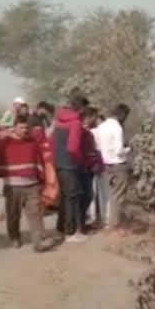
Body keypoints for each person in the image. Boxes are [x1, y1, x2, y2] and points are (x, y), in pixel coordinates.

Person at [0, 115, 55, 252]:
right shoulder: (5, 144)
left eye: (26, 128)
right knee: (13, 215)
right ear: (14, 127)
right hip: (12, 186)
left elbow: (39, 163)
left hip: (32, 186)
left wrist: (42, 182)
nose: (24, 130)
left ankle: (38, 242)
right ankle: (14, 237)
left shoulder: (33, 143)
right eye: (21, 127)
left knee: (35, 214)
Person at [52, 93, 92, 243]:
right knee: (74, 197)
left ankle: (62, 228)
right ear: (81, 108)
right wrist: (80, 161)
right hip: (70, 164)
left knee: (66, 197)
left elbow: (53, 143)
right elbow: (73, 148)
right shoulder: (75, 123)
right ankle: (72, 232)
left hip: (59, 163)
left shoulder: (59, 120)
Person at [94, 103, 131, 233]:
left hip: (107, 165)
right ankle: (115, 225)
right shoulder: (117, 128)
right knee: (119, 196)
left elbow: (97, 146)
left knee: (111, 195)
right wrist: (129, 149)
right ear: (122, 115)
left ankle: (111, 222)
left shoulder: (101, 127)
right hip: (119, 164)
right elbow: (119, 150)